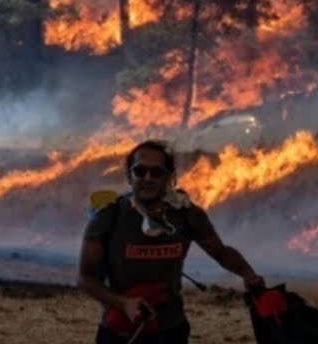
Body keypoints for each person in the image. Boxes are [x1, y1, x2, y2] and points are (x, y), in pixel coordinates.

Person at [79, 140, 265, 343]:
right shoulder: (109, 215)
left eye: (157, 172)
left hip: (170, 329)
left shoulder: (186, 214)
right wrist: (123, 303)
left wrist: (249, 275)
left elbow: (221, 253)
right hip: (118, 331)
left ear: (169, 177)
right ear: (129, 176)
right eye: (140, 171)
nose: (147, 178)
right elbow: (86, 278)